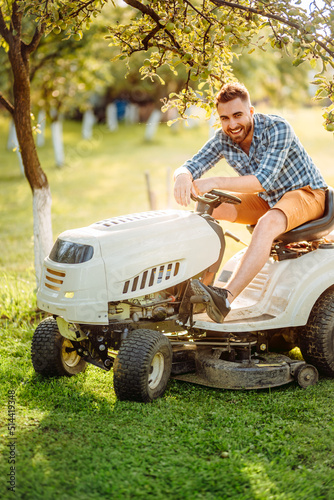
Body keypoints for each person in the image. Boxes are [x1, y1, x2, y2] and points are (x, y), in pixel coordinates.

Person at [174, 82, 327, 323]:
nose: (232, 124)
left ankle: (225, 298)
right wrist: (182, 175)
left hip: (307, 193)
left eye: (237, 115)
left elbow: (262, 181)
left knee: (267, 224)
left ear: (251, 112)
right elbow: (192, 164)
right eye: (225, 118)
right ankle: (202, 287)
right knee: (209, 207)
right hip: (269, 199)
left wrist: (213, 181)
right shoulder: (223, 138)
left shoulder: (277, 128)